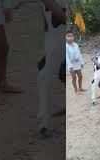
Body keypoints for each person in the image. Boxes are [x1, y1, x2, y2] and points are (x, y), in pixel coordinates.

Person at [37, 0, 66, 137]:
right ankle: (43, 120)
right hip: (57, 31)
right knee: (47, 72)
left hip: (58, 31)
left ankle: (43, 119)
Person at [66, 30, 86, 94]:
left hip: (77, 64)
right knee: (74, 78)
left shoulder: (76, 45)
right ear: (65, 37)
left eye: (72, 36)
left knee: (80, 76)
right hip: (71, 65)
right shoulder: (65, 46)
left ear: (73, 37)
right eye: (68, 36)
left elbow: (79, 54)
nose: (70, 37)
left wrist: (81, 63)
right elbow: (67, 58)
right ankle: (76, 90)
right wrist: (70, 67)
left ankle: (80, 87)